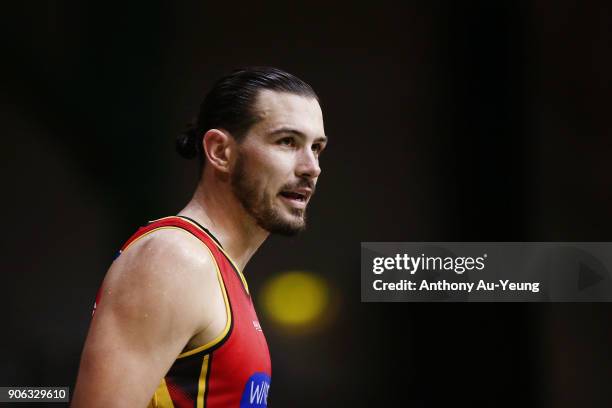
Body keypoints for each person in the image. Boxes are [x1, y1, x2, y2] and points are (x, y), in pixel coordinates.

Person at [72, 67, 327, 407]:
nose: (311, 167)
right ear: (221, 151)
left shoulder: (216, 269)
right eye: (287, 142)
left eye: (317, 148)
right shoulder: (174, 258)